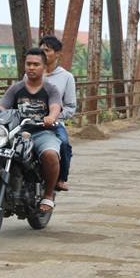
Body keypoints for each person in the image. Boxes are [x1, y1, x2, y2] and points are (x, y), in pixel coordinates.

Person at [0, 48, 62, 212]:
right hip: (16, 132)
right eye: (28, 64)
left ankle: (48, 194)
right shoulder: (16, 88)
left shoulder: (50, 89)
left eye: (36, 64)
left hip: (42, 132)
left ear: (44, 67)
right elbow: (2, 106)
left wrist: (51, 117)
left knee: (50, 154)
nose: (31, 67)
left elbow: (55, 106)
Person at [39, 35, 77, 191]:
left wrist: (54, 117)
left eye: (47, 50)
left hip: (54, 122)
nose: (43, 54)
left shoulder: (66, 77)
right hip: (29, 121)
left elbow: (70, 107)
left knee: (64, 143)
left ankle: (61, 178)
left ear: (58, 53)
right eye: (40, 50)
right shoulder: (31, 73)